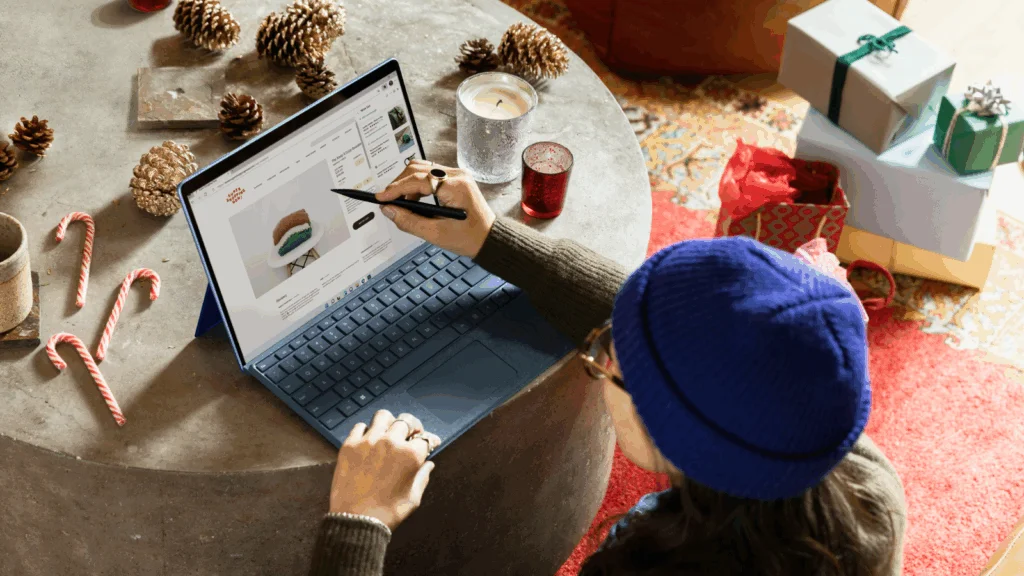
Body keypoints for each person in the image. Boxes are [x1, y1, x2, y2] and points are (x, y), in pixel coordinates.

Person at [307, 160, 907, 576]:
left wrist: (358, 524)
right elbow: (701, 335)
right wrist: (493, 238)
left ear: (669, 425)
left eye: (609, 360)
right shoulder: (860, 477)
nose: (600, 351)